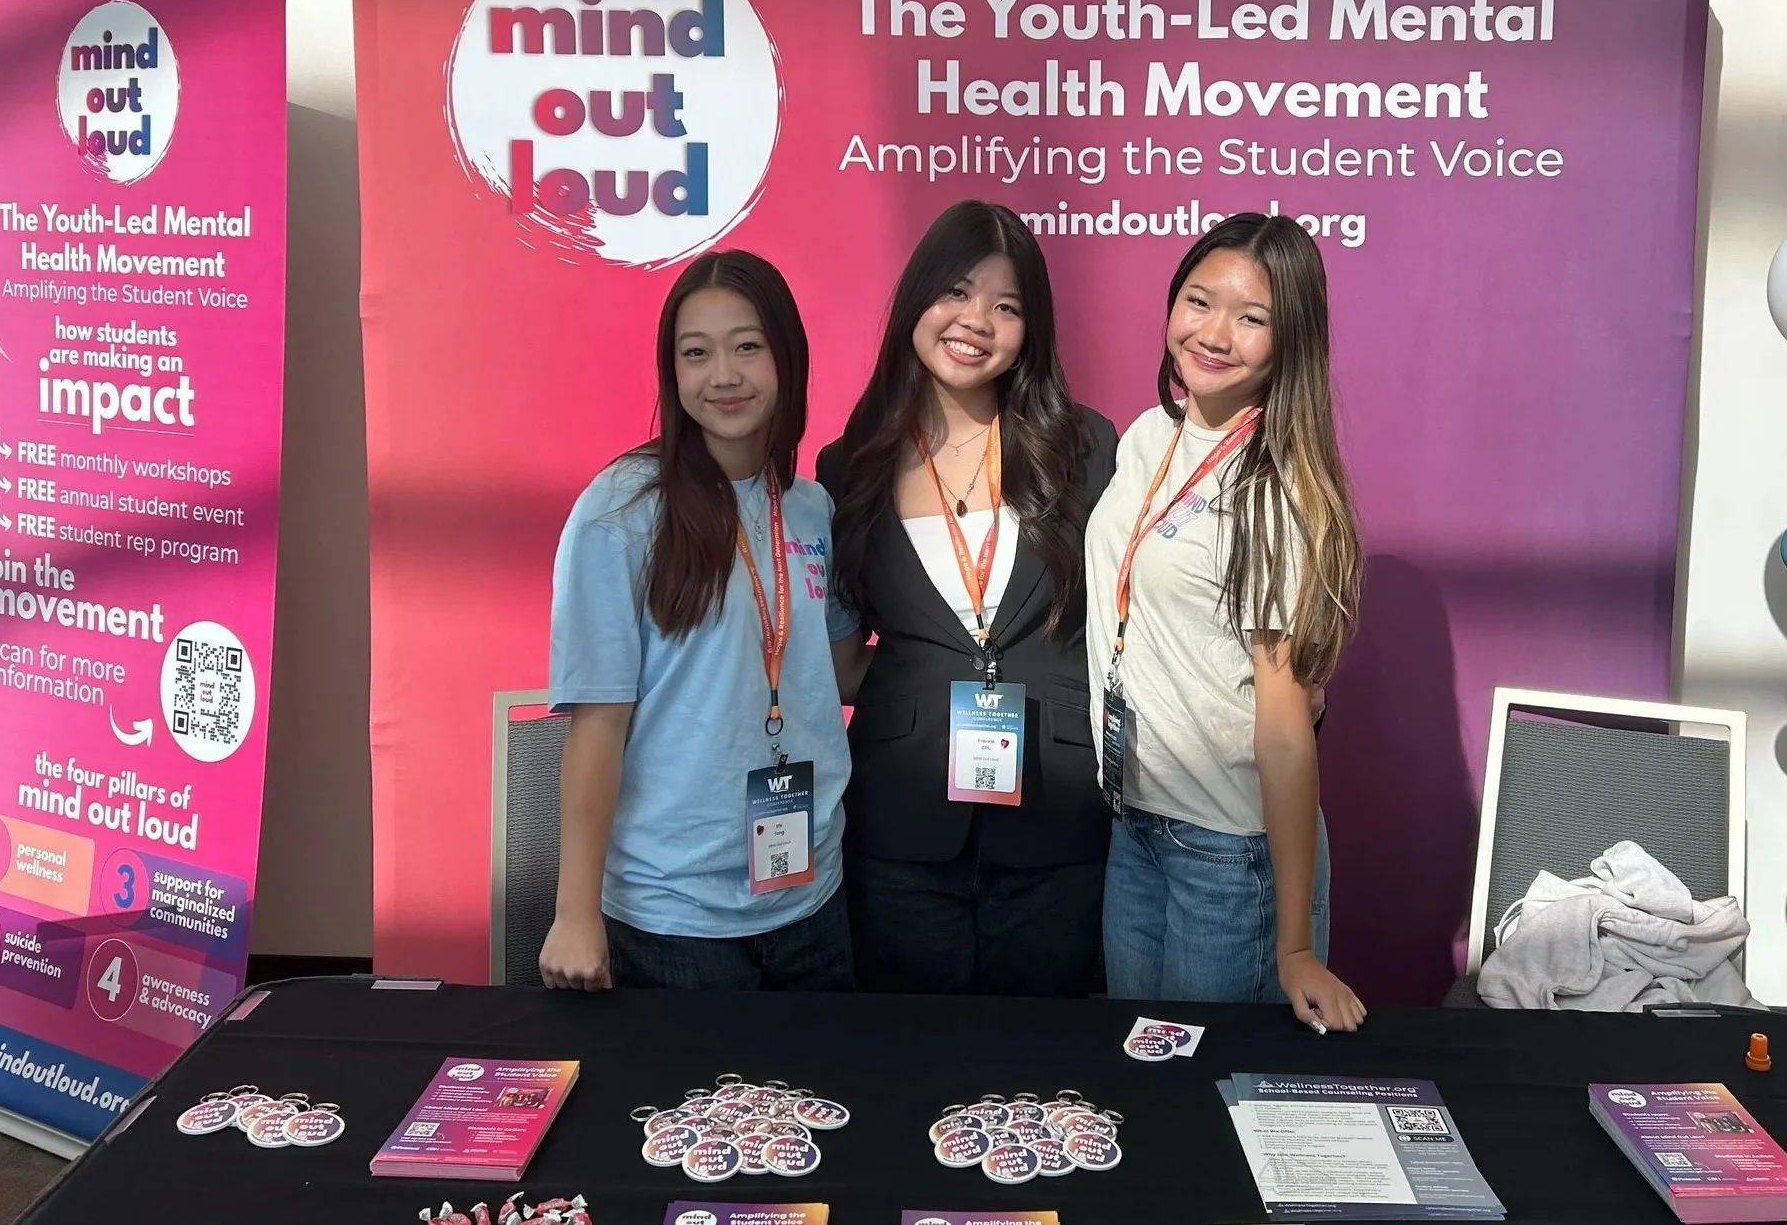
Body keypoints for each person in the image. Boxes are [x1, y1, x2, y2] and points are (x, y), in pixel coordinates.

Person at [538, 249, 866, 992]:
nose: (723, 375)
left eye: (747, 346)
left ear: (787, 357)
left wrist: (970, 665)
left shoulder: (809, 507)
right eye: (696, 353)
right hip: (674, 915)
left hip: (812, 897)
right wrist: (575, 912)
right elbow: (597, 722)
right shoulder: (621, 511)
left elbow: (843, 671)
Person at [817, 200, 1118, 996]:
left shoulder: (1087, 448)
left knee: (1044, 1052)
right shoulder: (848, 465)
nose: (976, 321)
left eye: (1006, 306)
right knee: (908, 1049)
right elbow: (842, 657)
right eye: (955, 291)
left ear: (1031, 328)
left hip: (1057, 820)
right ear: (916, 298)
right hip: (899, 823)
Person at [1085, 212, 1367, 1031]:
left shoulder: (1274, 486)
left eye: (1251, 318)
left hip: (1227, 851)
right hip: (1135, 822)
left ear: (1290, 341)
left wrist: (1294, 946)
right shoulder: (1147, 438)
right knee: (1142, 1069)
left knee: (1212, 1084)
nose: (1212, 334)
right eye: (1199, 301)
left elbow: (1283, 725)